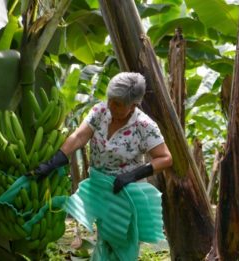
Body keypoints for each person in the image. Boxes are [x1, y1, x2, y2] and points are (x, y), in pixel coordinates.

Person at [31, 72, 172, 260]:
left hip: (127, 191)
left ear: (133, 105)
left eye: (119, 104)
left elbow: (165, 158)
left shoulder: (144, 125)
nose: (112, 106)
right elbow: (79, 136)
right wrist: (56, 159)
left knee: (123, 241)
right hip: (101, 188)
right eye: (111, 100)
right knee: (105, 237)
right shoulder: (100, 111)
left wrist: (132, 175)